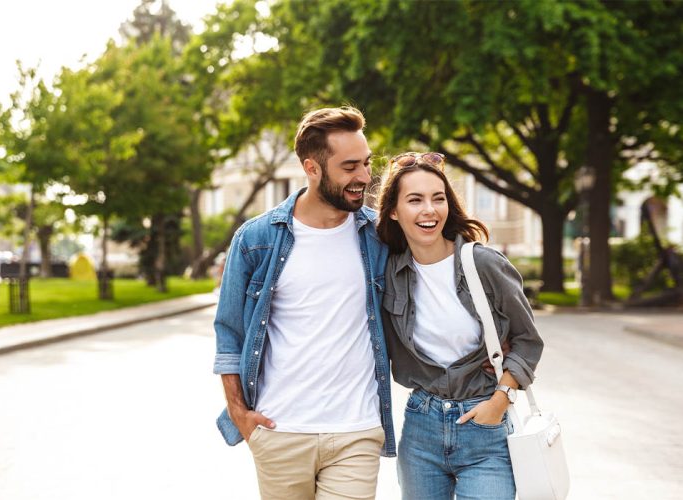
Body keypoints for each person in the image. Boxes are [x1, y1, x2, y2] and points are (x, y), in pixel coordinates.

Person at [213, 106, 395, 500]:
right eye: (350, 167)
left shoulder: (379, 235)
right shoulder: (256, 239)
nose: (364, 177)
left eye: (366, 163)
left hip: (356, 430)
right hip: (280, 431)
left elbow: (430, 283)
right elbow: (229, 333)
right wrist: (240, 415)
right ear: (312, 168)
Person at [376, 152, 544, 499]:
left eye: (438, 199)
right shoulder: (387, 273)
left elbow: (527, 340)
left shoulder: (483, 263)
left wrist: (501, 398)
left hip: (485, 425)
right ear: (394, 211)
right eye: (415, 200)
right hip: (421, 427)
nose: (429, 210)